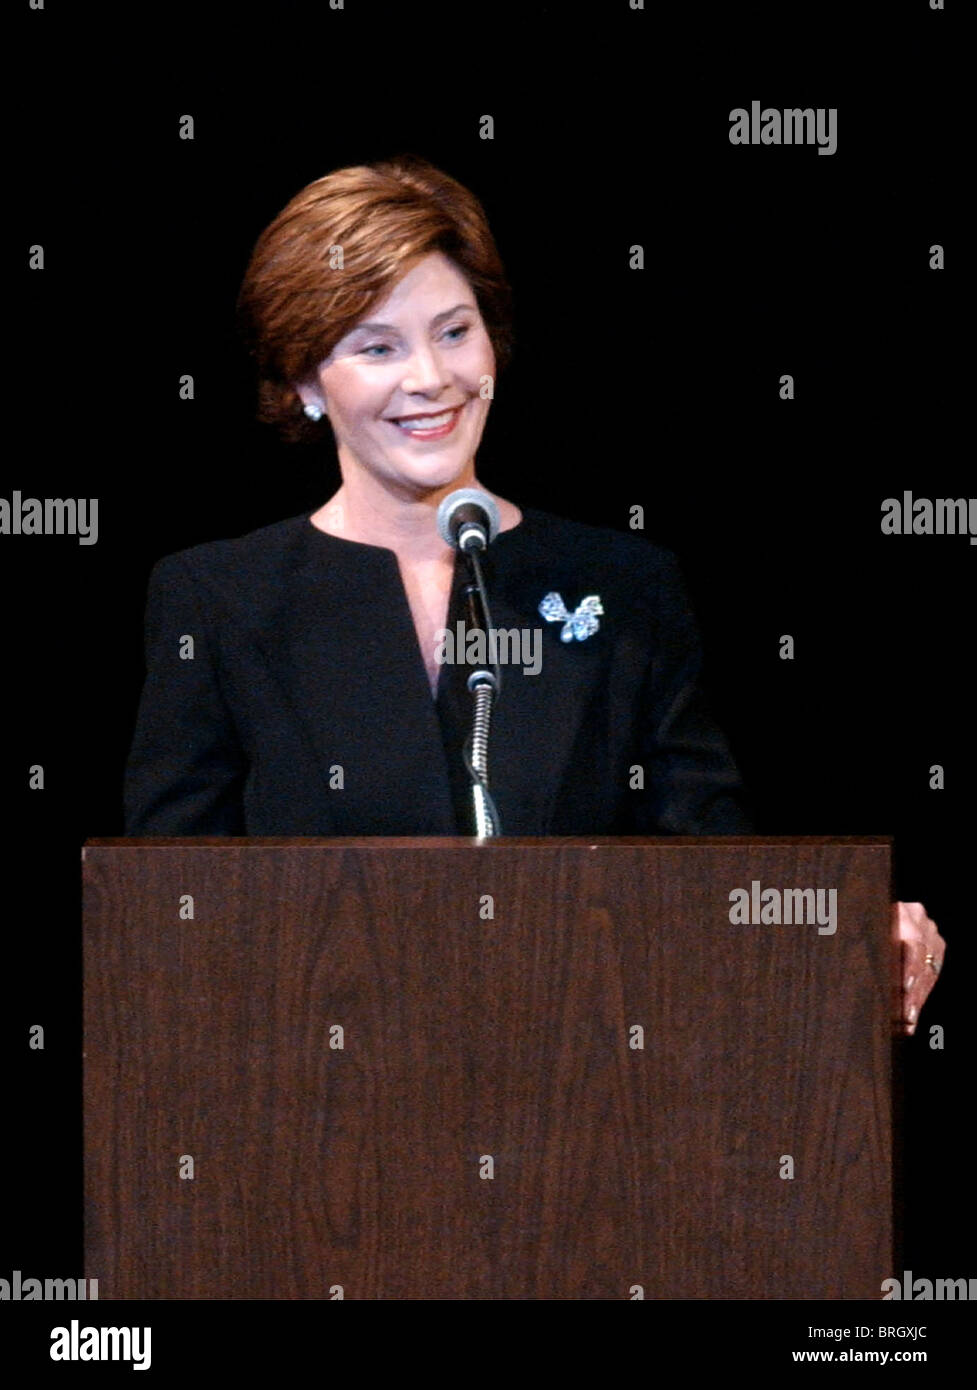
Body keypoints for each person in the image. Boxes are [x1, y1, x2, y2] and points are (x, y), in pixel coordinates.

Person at [122, 154, 944, 1034]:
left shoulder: (622, 587)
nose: (430, 378)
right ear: (304, 380)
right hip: (316, 1114)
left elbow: (706, 874)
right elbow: (168, 912)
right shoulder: (220, 599)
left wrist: (842, 929)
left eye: (452, 331)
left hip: (583, 1110)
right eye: (376, 347)